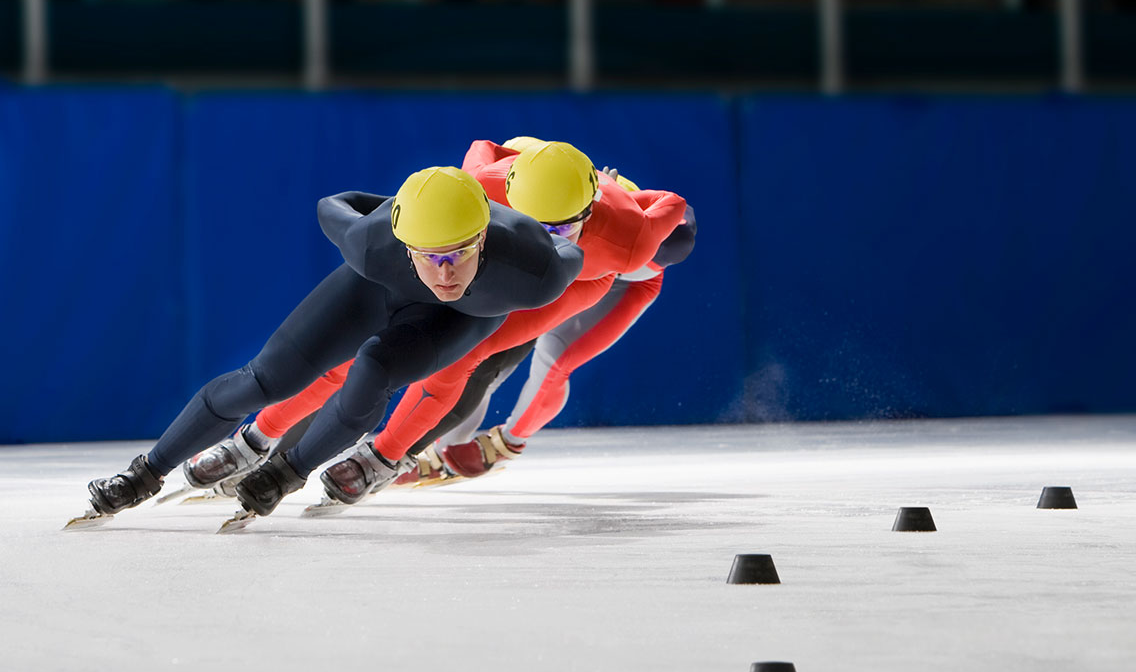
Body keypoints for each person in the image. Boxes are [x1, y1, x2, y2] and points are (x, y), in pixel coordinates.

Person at [190, 138, 688, 512]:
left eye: (558, 228)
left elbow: (676, 211)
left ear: (590, 209)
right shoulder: (486, 181)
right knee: (364, 344)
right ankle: (259, 437)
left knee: (471, 355)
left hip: (575, 279)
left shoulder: (630, 239)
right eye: (527, 220)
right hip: (484, 259)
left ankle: (385, 456)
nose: (539, 238)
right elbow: (482, 150)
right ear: (507, 194)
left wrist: (626, 191)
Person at [74, 166, 583, 526]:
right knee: (265, 380)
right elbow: (333, 205)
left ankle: (286, 472)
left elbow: (575, 249)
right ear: (403, 241)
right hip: (375, 288)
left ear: (484, 239)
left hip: (461, 319)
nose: (444, 273)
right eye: (428, 255)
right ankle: (144, 473)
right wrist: (395, 208)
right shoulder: (371, 241)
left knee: (373, 371)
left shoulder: (535, 271)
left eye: (459, 252)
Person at [403, 198, 696, 486]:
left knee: (554, 357)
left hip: (618, 283)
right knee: (488, 360)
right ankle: (443, 448)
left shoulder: (635, 223)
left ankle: (509, 441)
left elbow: (680, 226)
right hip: (562, 275)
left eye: (565, 226)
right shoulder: (536, 198)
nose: (555, 233)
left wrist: (653, 228)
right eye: (545, 225)